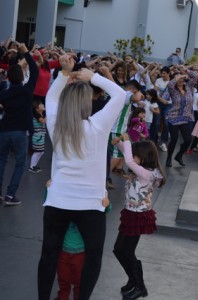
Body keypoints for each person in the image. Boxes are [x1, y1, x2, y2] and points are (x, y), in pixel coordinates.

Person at [37, 55, 126, 299]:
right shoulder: (98, 126)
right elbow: (120, 95)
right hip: (90, 205)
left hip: (58, 201)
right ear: (86, 104)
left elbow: (51, 98)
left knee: (49, 254)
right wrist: (92, 77)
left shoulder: (56, 125)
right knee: (94, 256)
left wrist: (65, 73)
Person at [111, 133, 166, 300]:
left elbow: (128, 161)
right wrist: (120, 144)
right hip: (130, 213)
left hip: (138, 216)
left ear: (143, 157)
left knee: (126, 252)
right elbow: (129, 157)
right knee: (119, 250)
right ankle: (133, 280)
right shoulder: (143, 168)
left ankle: (140, 286)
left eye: (135, 155)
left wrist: (127, 141)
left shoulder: (147, 174)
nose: (132, 157)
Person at [0, 43, 38, 205]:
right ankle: (10, 195)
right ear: (22, 77)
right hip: (20, 131)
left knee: (2, 160)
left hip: (4, 129)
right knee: (20, 164)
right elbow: (35, 70)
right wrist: (26, 52)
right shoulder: (27, 91)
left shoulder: (4, 92)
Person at [165, 68, 198, 167]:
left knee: (188, 139)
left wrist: (186, 71)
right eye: (178, 78)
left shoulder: (188, 87)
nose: (181, 80)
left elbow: (195, 76)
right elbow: (170, 84)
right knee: (174, 140)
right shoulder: (173, 89)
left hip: (186, 117)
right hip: (174, 117)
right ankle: (169, 158)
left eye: (182, 79)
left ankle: (179, 156)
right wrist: (178, 76)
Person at [29, 99, 47, 173]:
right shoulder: (37, 114)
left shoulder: (41, 114)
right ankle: (31, 167)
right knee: (37, 151)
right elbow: (43, 121)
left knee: (41, 151)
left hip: (40, 136)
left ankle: (34, 165)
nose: (43, 105)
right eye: (41, 105)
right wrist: (49, 113)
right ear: (37, 108)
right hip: (37, 137)